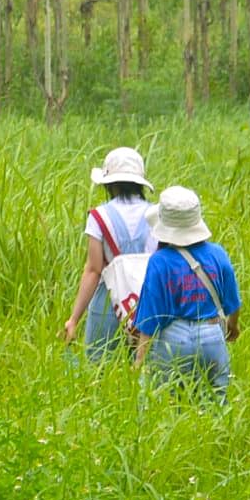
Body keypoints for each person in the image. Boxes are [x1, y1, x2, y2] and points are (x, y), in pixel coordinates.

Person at [132, 185, 242, 405]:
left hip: (174, 339)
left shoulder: (160, 261)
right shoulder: (217, 253)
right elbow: (233, 301)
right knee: (216, 402)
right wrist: (233, 325)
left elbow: (150, 317)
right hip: (212, 334)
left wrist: (140, 359)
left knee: (167, 402)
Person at [59, 145, 158, 363]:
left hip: (108, 302)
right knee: (147, 370)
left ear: (109, 183)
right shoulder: (155, 214)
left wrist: (74, 319)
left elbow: (93, 270)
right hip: (149, 300)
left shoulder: (99, 216)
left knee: (100, 368)